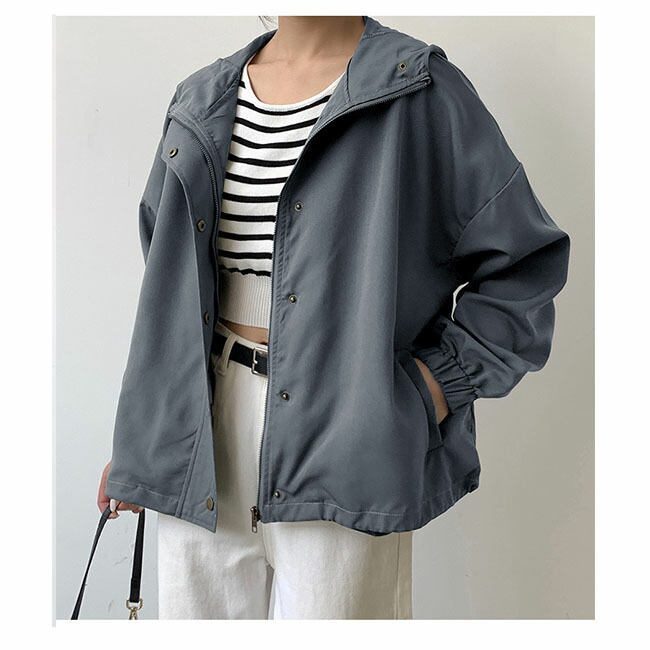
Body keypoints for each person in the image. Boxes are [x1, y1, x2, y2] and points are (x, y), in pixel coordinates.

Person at [97, 15, 571, 619]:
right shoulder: (200, 98)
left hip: (349, 431)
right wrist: (149, 439)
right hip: (203, 434)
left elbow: (524, 265)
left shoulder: (417, 87)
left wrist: (428, 393)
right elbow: (170, 283)